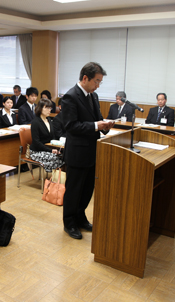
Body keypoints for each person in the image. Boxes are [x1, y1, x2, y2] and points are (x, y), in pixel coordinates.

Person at [61, 62, 114, 239]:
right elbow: (71, 126)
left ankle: (80, 217)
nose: (98, 85)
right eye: (96, 81)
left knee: (87, 189)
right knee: (74, 189)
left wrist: (105, 125)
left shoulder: (94, 96)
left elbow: (96, 119)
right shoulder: (70, 97)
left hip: (92, 151)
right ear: (85, 78)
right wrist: (95, 125)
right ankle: (69, 223)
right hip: (77, 153)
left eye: (100, 82)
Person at [30, 98, 64, 171]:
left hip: (47, 149)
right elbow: (36, 142)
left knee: (63, 156)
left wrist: (56, 148)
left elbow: (53, 137)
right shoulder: (35, 122)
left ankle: (57, 178)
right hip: (36, 151)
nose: (49, 110)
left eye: (50, 108)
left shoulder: (49, 120)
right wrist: (50, 150)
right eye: (47, 108)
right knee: (56, 158)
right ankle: (53, 179)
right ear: (40, 108)